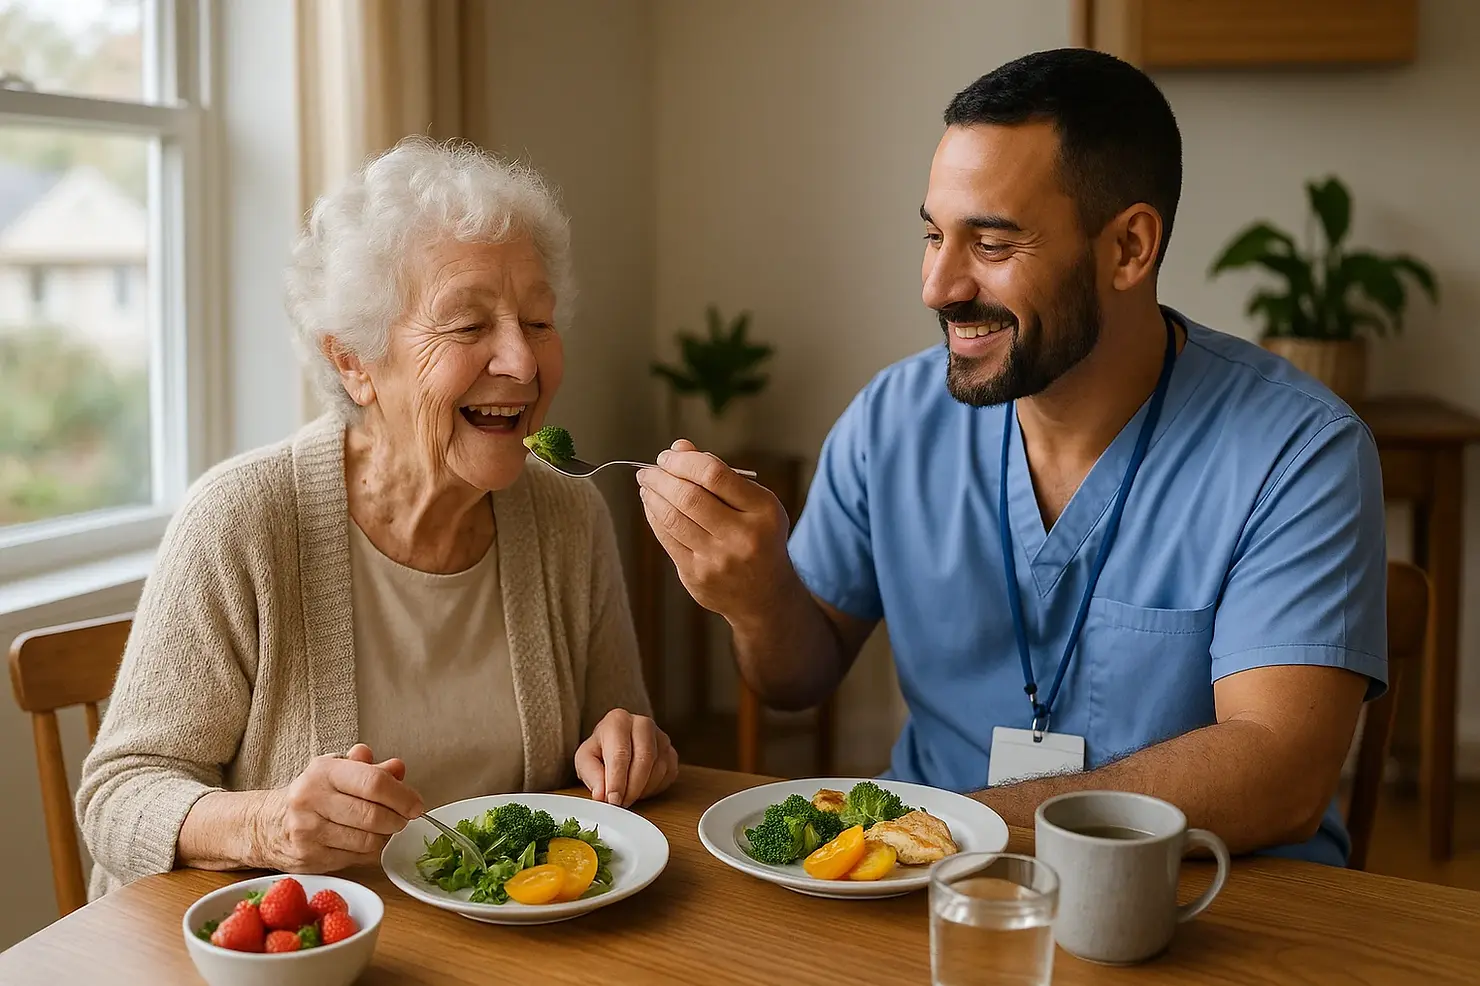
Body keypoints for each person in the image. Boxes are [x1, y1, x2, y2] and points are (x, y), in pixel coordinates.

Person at [637, 48, 1385, 866]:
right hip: (927, 888)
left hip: (1210, 896)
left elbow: (1282, 772)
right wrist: (756, 596)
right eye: (933, 235)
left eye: (990, 243)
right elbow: (796, 677)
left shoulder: (1299, 451)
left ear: (1130, 247)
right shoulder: (891, 419)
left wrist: (959, 825)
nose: (937, 285)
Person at [76, 138, 677, 898]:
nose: (521, 363)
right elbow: (117, 799)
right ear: (354, 362)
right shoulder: (245, 519)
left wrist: (630, 746)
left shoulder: (567, 512)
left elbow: (617, 734)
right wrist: (269, 824)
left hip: (503, 944)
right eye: (467, 327)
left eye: (537, 321)